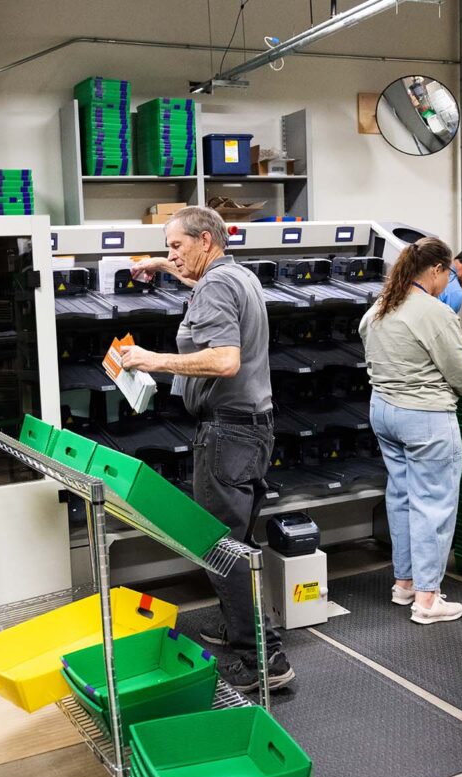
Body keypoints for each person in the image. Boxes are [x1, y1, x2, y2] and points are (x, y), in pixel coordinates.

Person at [118, 206, 294, 691]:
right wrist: (158, 265)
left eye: (176, 246)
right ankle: (242, 628)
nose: (173, 255)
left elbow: (223, 360)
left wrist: (151, 360)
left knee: (220, 548)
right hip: (253, 429)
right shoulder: (235, 275)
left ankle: (264, 659)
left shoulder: (215, 285)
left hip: (228, 436)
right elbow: (197, 282)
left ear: (205, 242)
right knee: (235, 542)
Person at [360, 237, 462, 625]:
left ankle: (405, 582)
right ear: (437, 270)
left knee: (402, 496)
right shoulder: (433, 312)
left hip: (383, 410)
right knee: (434, 502)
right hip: (424, 416)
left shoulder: (379, 307)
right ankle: (428, 600)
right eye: (447, 275)